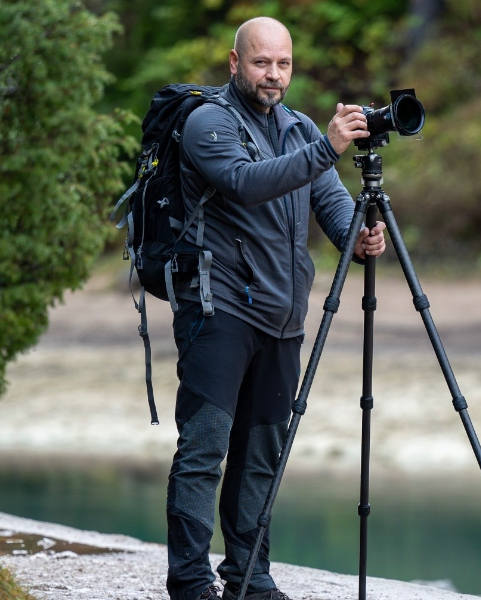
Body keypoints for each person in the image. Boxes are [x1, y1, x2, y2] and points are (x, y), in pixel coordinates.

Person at [166, 16, 386, 600]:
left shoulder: (298, 128)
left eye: (283, 63)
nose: (274, 75)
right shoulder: (207, 122)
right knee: (205, 449)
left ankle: (250, 578)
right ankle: (189, 583)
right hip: (218, 312)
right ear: (235, 63)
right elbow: (247, 182)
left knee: (261, 453)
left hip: (284, 315)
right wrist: (329, 146)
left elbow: (331, 201)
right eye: (262, 63)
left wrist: (358, 240)